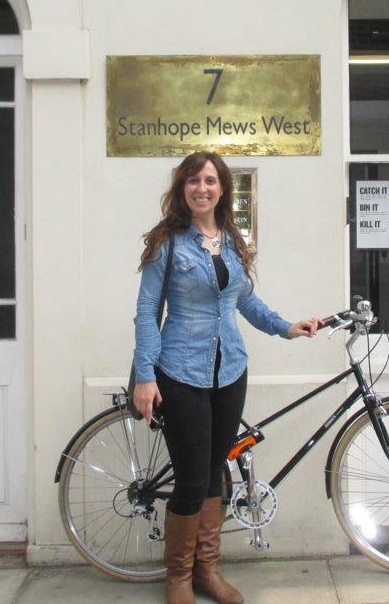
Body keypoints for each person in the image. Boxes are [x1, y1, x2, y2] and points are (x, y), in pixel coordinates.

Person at [132, 151, 322, 604]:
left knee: (216, 473)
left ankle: (207, 571)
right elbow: (145, 313)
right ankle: (177, 576)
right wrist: (144, 375)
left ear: (222, 189)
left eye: (211, 180)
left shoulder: (233, 241)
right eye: (194, 180)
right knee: (193, 478)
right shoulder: (167, 243)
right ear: (182, 189)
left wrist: (286, 327)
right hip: (180, 372)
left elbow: (246, 302)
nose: (202, 188)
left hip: (230, 371)